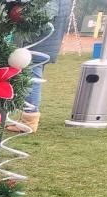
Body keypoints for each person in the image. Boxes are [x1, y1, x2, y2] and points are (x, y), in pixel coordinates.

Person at [10, 0, 73, 132]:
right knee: (32, 77)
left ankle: (29, 120)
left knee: (32, 78)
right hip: (44, 42)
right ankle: (27, 118)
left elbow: (45, 15)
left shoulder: (51, 4)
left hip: (37, 42)